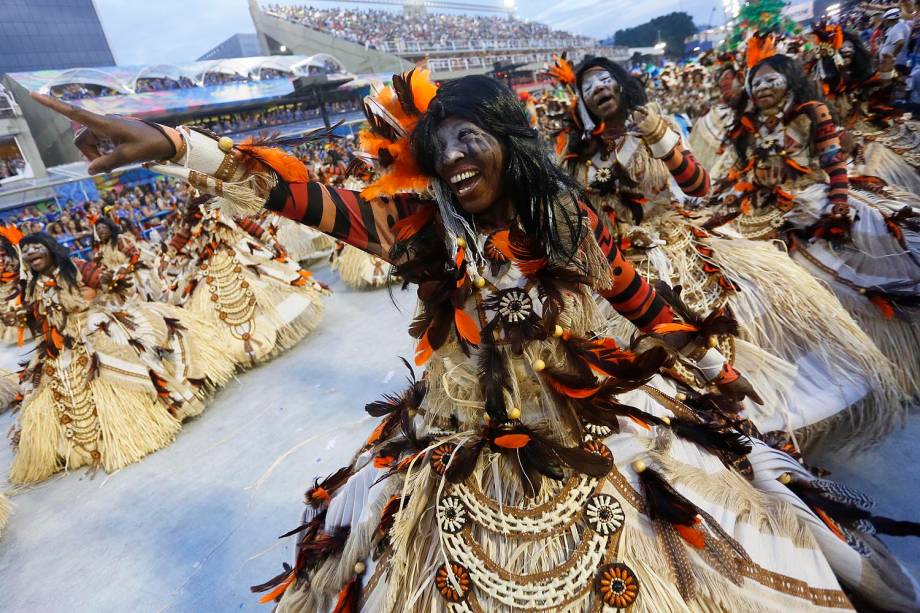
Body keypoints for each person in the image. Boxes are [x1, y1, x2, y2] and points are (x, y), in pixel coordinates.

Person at [31, 72, 920, 610]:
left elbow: (638, 295)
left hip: (576, 428)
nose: (455, 152)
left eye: (472, 135)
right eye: (439, 143)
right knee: (355, 528)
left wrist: (714, 363)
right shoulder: (420, 232)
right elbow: (313, 203)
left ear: (507, 145)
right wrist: (181, 145)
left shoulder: (565, 226)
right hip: (452, 435)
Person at [557, 56, 903, 447]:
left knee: (725, 318)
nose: (598, 89)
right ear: (582, 105)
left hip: (670, 241)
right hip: (618, 262)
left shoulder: (657, 128)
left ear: (621, 83)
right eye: (588, 88)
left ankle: (756, 419)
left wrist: (658, 137)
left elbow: (698, 185)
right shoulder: (580, 157)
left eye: (605, 80)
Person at [711, 53, 920, 401]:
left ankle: (891, 357)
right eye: (756, 82)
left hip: (811, 201)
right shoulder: (745, 125)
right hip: (762, 210)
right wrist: (723, 200)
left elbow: (834, 163)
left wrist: (839, 201)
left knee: (851, 265)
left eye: (770, 80)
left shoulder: (812, 114)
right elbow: (742, 172)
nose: (762, 88)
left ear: (789, 80)